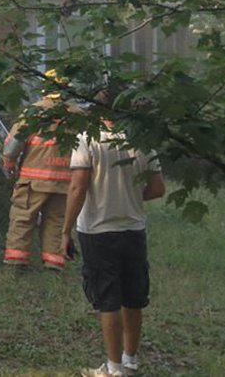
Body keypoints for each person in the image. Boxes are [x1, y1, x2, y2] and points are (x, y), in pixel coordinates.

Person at [61, 121, 166, 377]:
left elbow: (78, 186)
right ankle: (130, 361)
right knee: (133, 298)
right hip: (133, 230)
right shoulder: (143, 139)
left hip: (98, 231)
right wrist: (127, 197)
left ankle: (113, 369)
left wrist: (65, 231)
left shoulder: (87, 139)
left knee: (108, 300)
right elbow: (157, 188)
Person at [0, 74, 79, 272]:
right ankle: (53, 268)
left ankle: (16, 266)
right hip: (65, 182)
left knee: (22, 219)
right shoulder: (77, 115)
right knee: (57, 224)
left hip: (33, 180)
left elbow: (13, 145)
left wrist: (9, 162)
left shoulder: (34, 112)